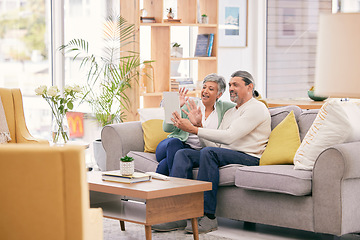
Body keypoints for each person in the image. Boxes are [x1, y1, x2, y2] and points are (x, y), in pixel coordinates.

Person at [152, 70, 271, 233]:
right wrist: (199, 125)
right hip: (226, 154)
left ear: (249, 87)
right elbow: (215, 144)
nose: (231, 88)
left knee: (209, 153)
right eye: (230, 85)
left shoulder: (256, 108)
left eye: (235, 84)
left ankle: (208, 217)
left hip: (249, 157)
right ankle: (178, 214)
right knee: (183, 153)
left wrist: (194, 130)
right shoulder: (231, 112)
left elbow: (229, 137)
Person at [155, 73, 235, 176]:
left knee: (165, 164)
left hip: (195, 151)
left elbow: (243, 106)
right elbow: (167, 128)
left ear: (219, 95)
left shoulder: (224, 108)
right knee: (175, 143)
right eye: (204, 87)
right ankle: (176, 184)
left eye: (210, 89)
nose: (205, 91)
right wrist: (175, 106)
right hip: (172, 145)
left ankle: (169, 188)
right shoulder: (190, 104)